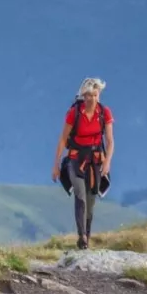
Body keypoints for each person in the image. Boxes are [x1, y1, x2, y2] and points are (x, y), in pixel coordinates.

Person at [51, 78, 114, 249]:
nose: (91, 99)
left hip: (95, 161)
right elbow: (63, 139)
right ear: (82, 96)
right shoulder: (74, 113)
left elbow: (110, 141)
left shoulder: (104, 113)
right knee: (80, 196)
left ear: (99, 95)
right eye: (87, 95)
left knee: (90, 200)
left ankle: (87, 234)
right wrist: (56, 165)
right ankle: (82, 237)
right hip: (75, 159)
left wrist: (107, 162)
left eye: (94, 95)